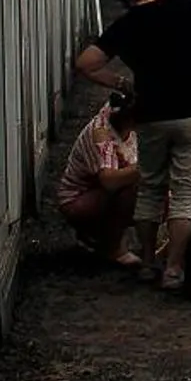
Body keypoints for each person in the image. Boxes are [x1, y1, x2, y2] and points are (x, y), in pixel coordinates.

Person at [73, 0, 191, 290]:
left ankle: (147, 262)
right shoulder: (190, 8)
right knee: (186, 192)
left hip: (152, 115)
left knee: (150, 188)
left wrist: (121, 83)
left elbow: (86, 63)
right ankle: (174, 268)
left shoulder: (129, 23)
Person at [55, 95, 141, 264]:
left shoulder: (124, 126)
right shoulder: (101, 131)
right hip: (77, 198)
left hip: (96, 193)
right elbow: (109, 181)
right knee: (131, 191)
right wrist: (146, 169)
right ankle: (113, 247)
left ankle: (99, 237)